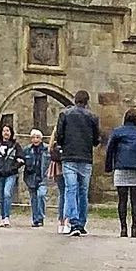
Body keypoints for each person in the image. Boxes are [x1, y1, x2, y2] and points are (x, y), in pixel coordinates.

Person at [52, 90, 102, 235]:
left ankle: (72, 222)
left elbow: (59, 136)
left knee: (70, 189)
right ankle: (81, 223)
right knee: (83, 191)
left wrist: (65, 144)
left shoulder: (65, 114)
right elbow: (96, 139)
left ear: (75, 100)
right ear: (87, 101)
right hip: (85, 157)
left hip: (69, 157)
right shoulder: (93, 117)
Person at [105, 107, 136, 238]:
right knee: (135, 200)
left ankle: (123, 228)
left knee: (122, 200)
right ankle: (134, 228)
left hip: (121, 167)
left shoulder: (117, 132)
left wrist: (109, 167)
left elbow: (110, 150)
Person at [0, 117, 22, 224]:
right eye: (4, 131)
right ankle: (2, 217)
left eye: (8, 131)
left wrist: (13, 167)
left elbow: (21, 159)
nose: (6, 133)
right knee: (1, 196)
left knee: (7, 193)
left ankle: (7, 216)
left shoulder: (16, 146)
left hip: (11, 173)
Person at [21, 126, 53, 226]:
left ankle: (41, 217)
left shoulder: (46, 149)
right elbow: (22, 160)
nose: (35, 139)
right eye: (33, 137)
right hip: (30, 177)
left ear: (41, 138)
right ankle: (35, 219)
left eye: (37, 137)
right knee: (33, 199)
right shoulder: (27, 150)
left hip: (43, 177)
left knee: (41, 195)